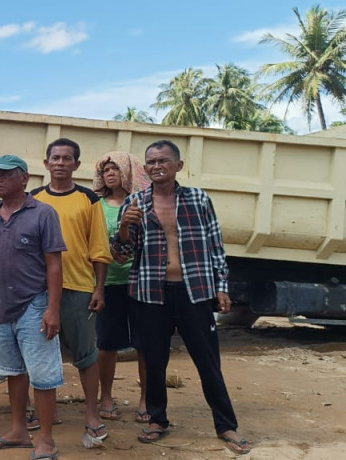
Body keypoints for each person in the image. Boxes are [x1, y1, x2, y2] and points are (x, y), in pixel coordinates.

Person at [113, 140, 252, 455]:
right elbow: (121, 254)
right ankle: (157, 419)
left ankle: (226, 425)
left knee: (208, 361)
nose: (157, 166)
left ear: (178, 165)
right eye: (151, 162)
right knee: (154, 361)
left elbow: (215, 246)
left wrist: (221, 286)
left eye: (163, 160)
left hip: (195, 292)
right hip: (150, 293)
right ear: (145, 168)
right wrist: (123, 227)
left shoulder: (198, 199)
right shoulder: (135, 203)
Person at [0, 155, 65, 459]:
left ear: (24, 178)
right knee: (13, 372)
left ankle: (46, 439)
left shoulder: (43, 213)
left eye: (5, 174)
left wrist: (53, 308)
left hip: (34, 305)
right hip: (0, 310)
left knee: (42, 376)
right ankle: (19, 431)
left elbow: (54, 264)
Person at [30, 138, 111, 442]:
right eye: (56, 158)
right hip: (38, 290)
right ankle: (45, 413)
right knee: (39, 354)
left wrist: (99, 289)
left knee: (86, 356)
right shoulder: (34, 199)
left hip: (78, 287)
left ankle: (92, 414)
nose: (61, 163)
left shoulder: (88, 199)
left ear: (77, 165)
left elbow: (99, 248)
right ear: (46, 163)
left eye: (67, 158)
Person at [92, 152, 150, 424]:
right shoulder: (96, 206)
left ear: (128, 172)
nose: (110, 174)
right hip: (107, 282)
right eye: (105, 170)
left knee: (145, 343)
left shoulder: (143, 203)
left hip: (140, 282)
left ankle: (146, 399)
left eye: (115, 168)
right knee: (107, 343)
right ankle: (106, 396)